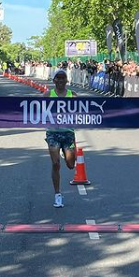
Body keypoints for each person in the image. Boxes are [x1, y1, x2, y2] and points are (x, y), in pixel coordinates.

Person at [44, 69, 77, 208]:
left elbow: (83, 110)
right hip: (53, 133)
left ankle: (67, 154)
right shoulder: (48, 94)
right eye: (58, 78)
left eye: (63, 78)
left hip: (68, 133)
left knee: (70, 165)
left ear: (66, 80)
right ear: (54, 80)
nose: (61, 80)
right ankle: (58, 194)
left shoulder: (72, 95)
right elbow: (34, 108)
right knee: (56, 164)